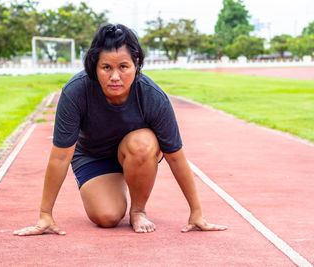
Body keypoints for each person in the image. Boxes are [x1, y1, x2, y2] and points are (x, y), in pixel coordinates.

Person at [14, 24, 227, 235]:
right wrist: (45, 214)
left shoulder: (152, 96)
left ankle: (138, 210)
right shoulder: (75, 92)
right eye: (107, 68)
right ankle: (115, 184)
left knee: (142, 143)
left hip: (136, 151)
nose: (115, 77)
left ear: (136, 64)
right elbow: (60, 156)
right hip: (93, 156)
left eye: (123, 67)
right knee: (107, 217)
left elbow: (175, 156)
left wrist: (196, 211)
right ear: (94, 66)